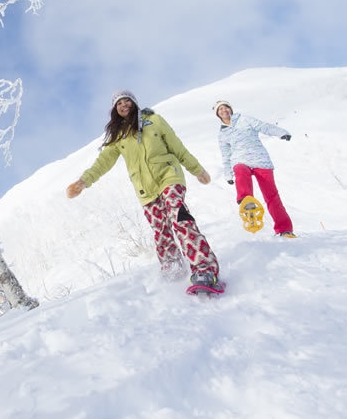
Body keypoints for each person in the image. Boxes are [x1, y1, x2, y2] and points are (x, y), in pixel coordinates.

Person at [66, 90, 221, 288]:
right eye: (118, 103)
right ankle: (172, 268)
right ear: (115, 110)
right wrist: (83, 181)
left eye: (126, 101)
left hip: (169, 176)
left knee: (179, 217)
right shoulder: (118, 136)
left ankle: (204, 269)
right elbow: (103, 162)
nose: (123, 105)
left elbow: (178, 148)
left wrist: (197, 170)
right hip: (145, 190)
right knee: (160, 230)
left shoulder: (155, 121)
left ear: (134, 103)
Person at [213, 100, 296, 237]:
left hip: (260, 160)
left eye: (226, 107)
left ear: (230, 109)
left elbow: (264, 127)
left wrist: (281, 133)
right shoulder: (222, 134)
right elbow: (226, 155)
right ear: (218, 114)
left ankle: (284, 230)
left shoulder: (245, 119)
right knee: (240, 170)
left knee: (272, 196)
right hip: (240, 159)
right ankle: (247, 202)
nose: (224, 110)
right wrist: (228, 174)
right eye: (220, 109)